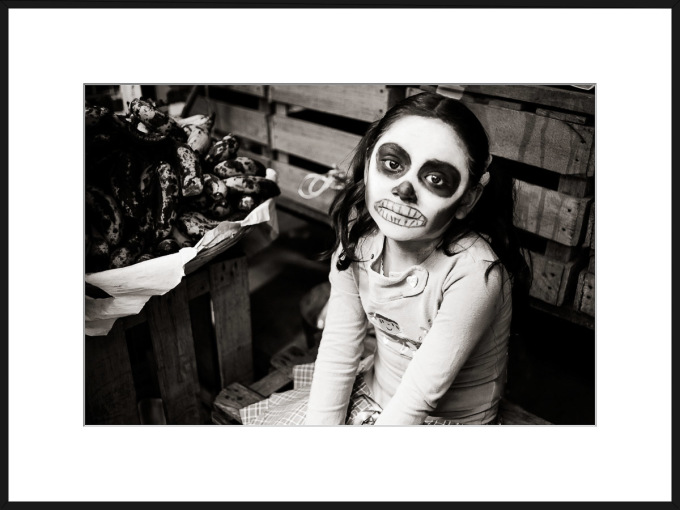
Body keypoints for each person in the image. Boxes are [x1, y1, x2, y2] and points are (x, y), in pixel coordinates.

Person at [240, 91, 530, 426]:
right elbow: (338, 348)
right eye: (392, 164)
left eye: (435, 179)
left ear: (467, 200)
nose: (404, 190)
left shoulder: (475, 274)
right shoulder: (358, 245)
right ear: (368, 164)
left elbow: (419, 397)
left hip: (443, 420)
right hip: (374, 395)